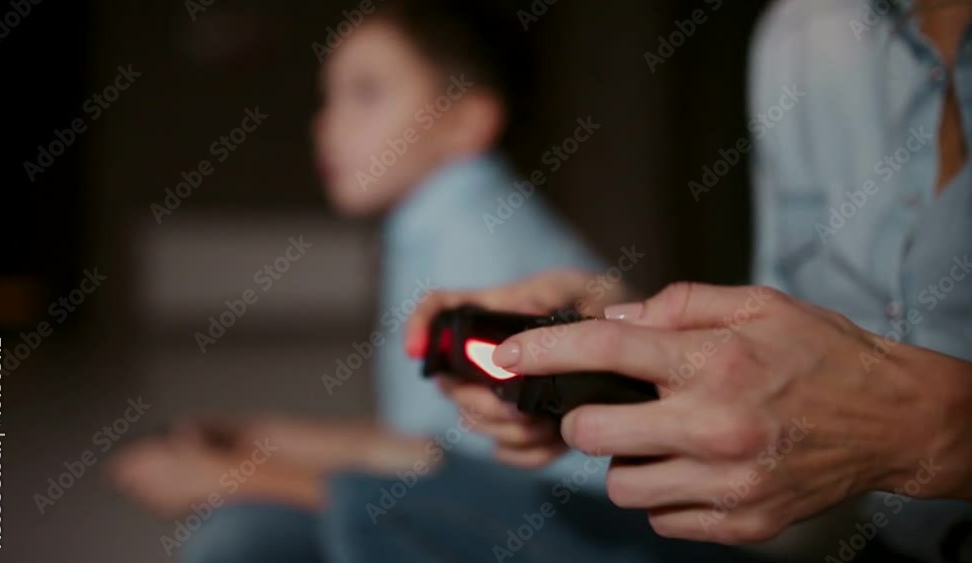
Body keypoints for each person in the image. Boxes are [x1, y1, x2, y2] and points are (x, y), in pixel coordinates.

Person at [334, 0, 972, 561]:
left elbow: (414, 462)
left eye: (365, 92)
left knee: (375, 509)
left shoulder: (465, 223)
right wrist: (624, 335)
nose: (326, 123)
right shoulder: (807, 34)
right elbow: (792, 357)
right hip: (860, 539)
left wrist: (922, 429)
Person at [110, 0, 617, 560]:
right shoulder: (434, 221)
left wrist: (233, 475)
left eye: (367, 92)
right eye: (329, 97)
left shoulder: (475, 235)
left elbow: (437, 487)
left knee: (242, 537)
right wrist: (264, 437)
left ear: (466, 121)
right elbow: (421, 452)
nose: (326, 123)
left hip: (587, 524)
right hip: (510, 501)